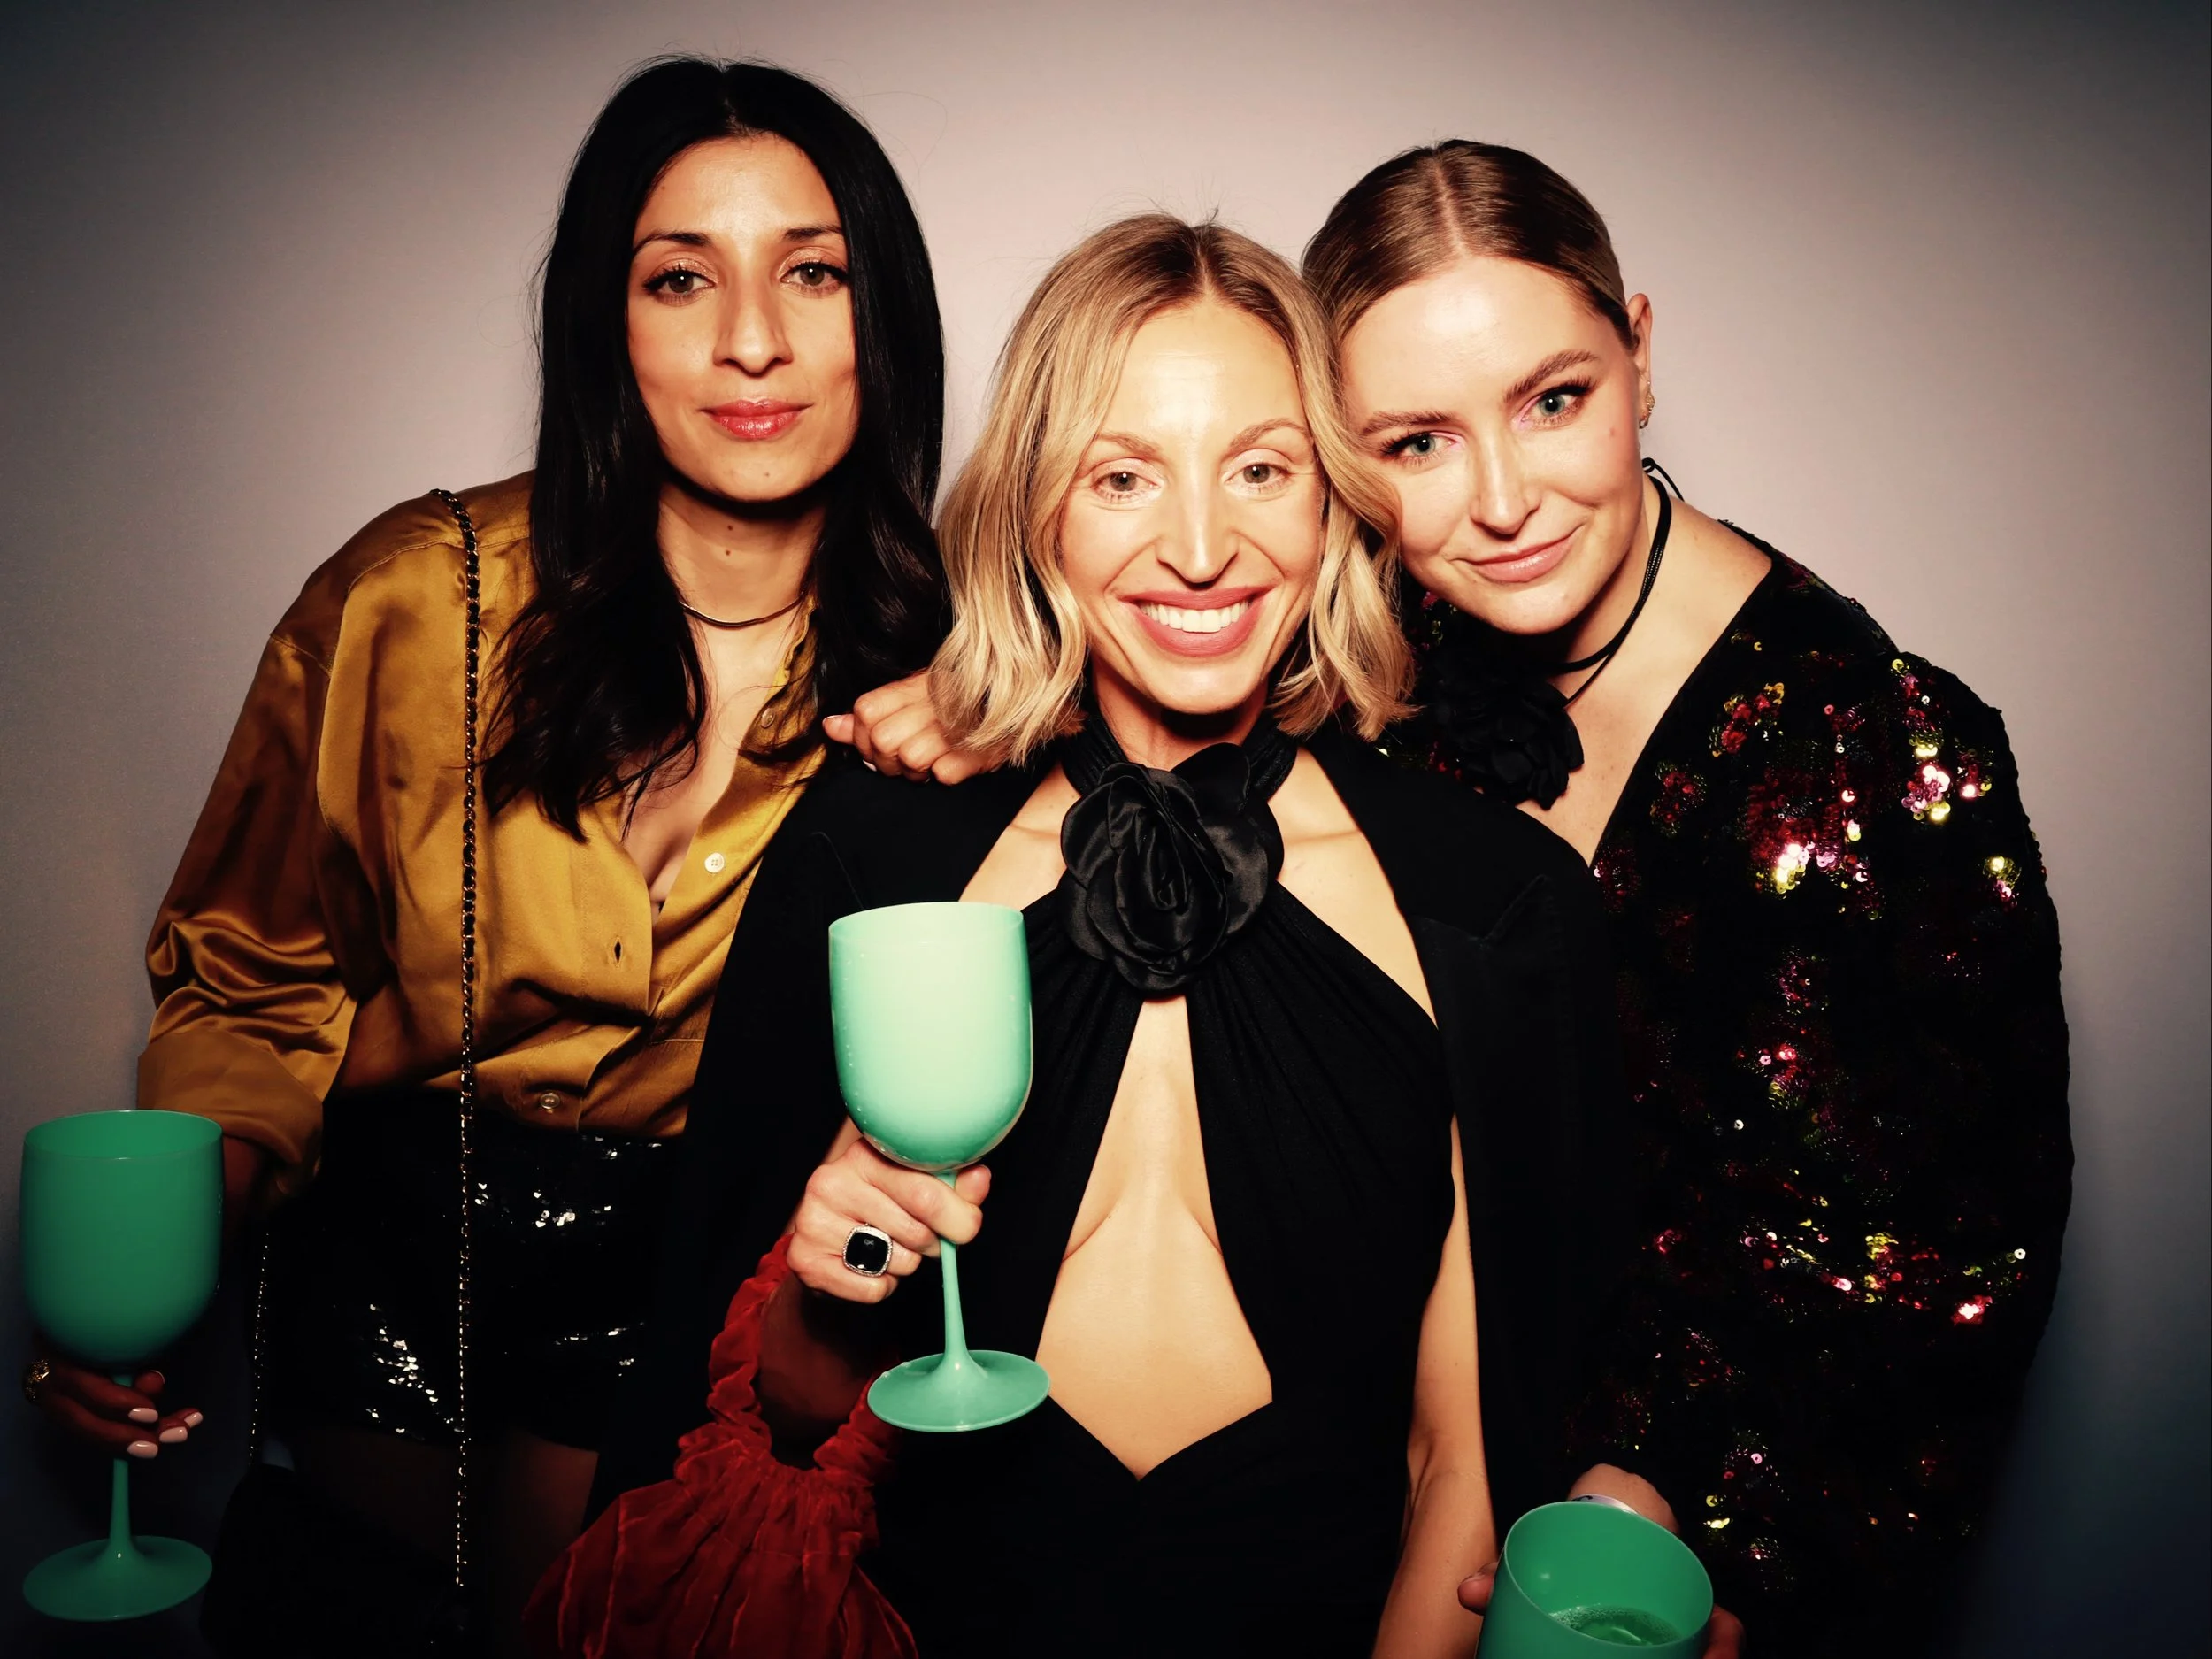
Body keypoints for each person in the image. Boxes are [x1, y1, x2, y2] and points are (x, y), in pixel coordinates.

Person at [554, 215, 1685, 1659]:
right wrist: (821, 1292)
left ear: (1334, 503)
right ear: (1037, 508)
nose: (1204, 549)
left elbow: (1464, 1465)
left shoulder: (1492, 905)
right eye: (1122, 476)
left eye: (1262, 470)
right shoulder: (867, 864)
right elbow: (757, 1429)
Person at [20, 57, 948, 1652]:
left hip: (691, 1357)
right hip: (377, 1332)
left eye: (815, 270)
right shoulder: (416, 597)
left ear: (888, 318)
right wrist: (146, 1280)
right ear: (608, 320)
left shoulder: (955, 676)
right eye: (681, 279)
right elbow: (254, 984)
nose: (752, 339)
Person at [1297, 142, 2072, 1656]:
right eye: (1417, 441)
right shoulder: (1359, 665)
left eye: (1554, 398)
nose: (1505, 498)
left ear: (1640, 353)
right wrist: (971, 693)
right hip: (1367, 1497)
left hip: (1672, 1565)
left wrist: (1694, 1522)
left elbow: (1956, 1266)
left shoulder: (1884, 742)